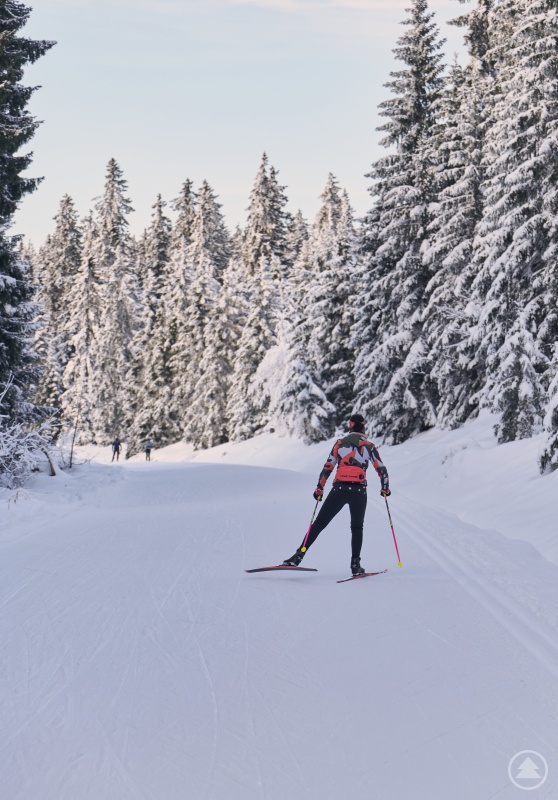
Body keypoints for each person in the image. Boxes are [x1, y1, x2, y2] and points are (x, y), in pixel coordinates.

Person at [283, 413, 390, 575]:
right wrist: (385, 488)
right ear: (363, 426)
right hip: (359, 491)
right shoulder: (369, 446)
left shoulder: (340, 444)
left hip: (339, 489)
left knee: (318, 524)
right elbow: (381, 469)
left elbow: (328, 466)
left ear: (350, 425)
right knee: (357, 527)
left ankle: (298, 556)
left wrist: (320, 488)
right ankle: (355, 565)